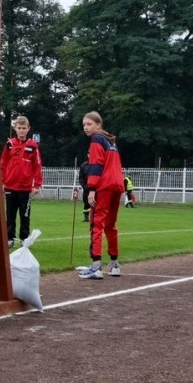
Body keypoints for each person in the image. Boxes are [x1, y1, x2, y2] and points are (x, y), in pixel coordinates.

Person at [78, 111, 123, 279]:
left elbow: (96, 165)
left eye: (89, 124)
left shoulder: (97, 139)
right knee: (110, 225)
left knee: (96, 224)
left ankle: (96, 265)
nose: (86, 127)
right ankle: (114, 264)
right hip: (117, 185)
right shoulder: (110, 141)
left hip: (104, 186)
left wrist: (91, 189)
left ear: (98, 125)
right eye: (84, 125)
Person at [0, 115, 42, 248]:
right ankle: (9, 238)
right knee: (10, 215)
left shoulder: (32, 145)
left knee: (25, 215)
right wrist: (2, 182)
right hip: (10, 186)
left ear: (28, 129)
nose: (22, 131)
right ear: (15, 128)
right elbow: (3, 164)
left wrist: (37, 185)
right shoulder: (9, 144)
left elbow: (37, 165)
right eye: (19, 128)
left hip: (26, 188)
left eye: (24, 128)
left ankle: (24, 239)